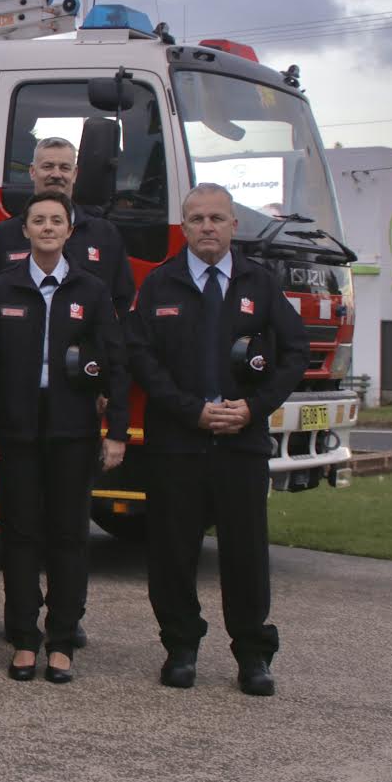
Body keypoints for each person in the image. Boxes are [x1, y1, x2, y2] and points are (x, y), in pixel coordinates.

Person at [125, 183, 309, 697]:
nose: (207, 227)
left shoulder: (262, 283)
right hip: (176, 445)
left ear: (233, 225)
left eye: (217, 218)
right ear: (183, 228)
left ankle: (253, 655)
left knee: (246, 555)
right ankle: (180, 648)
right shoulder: (160, 285)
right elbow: (141, 358)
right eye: (197, 219)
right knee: (171, 554)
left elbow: (296, 351)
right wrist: (191, 411)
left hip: (241, 445)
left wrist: (253, 408)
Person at [0, 190, 128, 684]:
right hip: (16, 429)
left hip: (72, 428)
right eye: (38, 220)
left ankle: (62, 640)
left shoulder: (90, 289)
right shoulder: (2, 289)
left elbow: (116, 362)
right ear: (25, 231)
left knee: (68, 536)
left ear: (68, 231)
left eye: (55, 221)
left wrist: (117, 431)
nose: (46, 227)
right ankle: (24, 638)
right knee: (19, 537)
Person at [0, 136, 135, 315]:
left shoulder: (105, 235)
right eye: (47, 166)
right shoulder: (2, 235)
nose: (56, 174)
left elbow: (122, 299)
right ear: (32, 171)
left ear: (75, 174)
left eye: (64, 168)